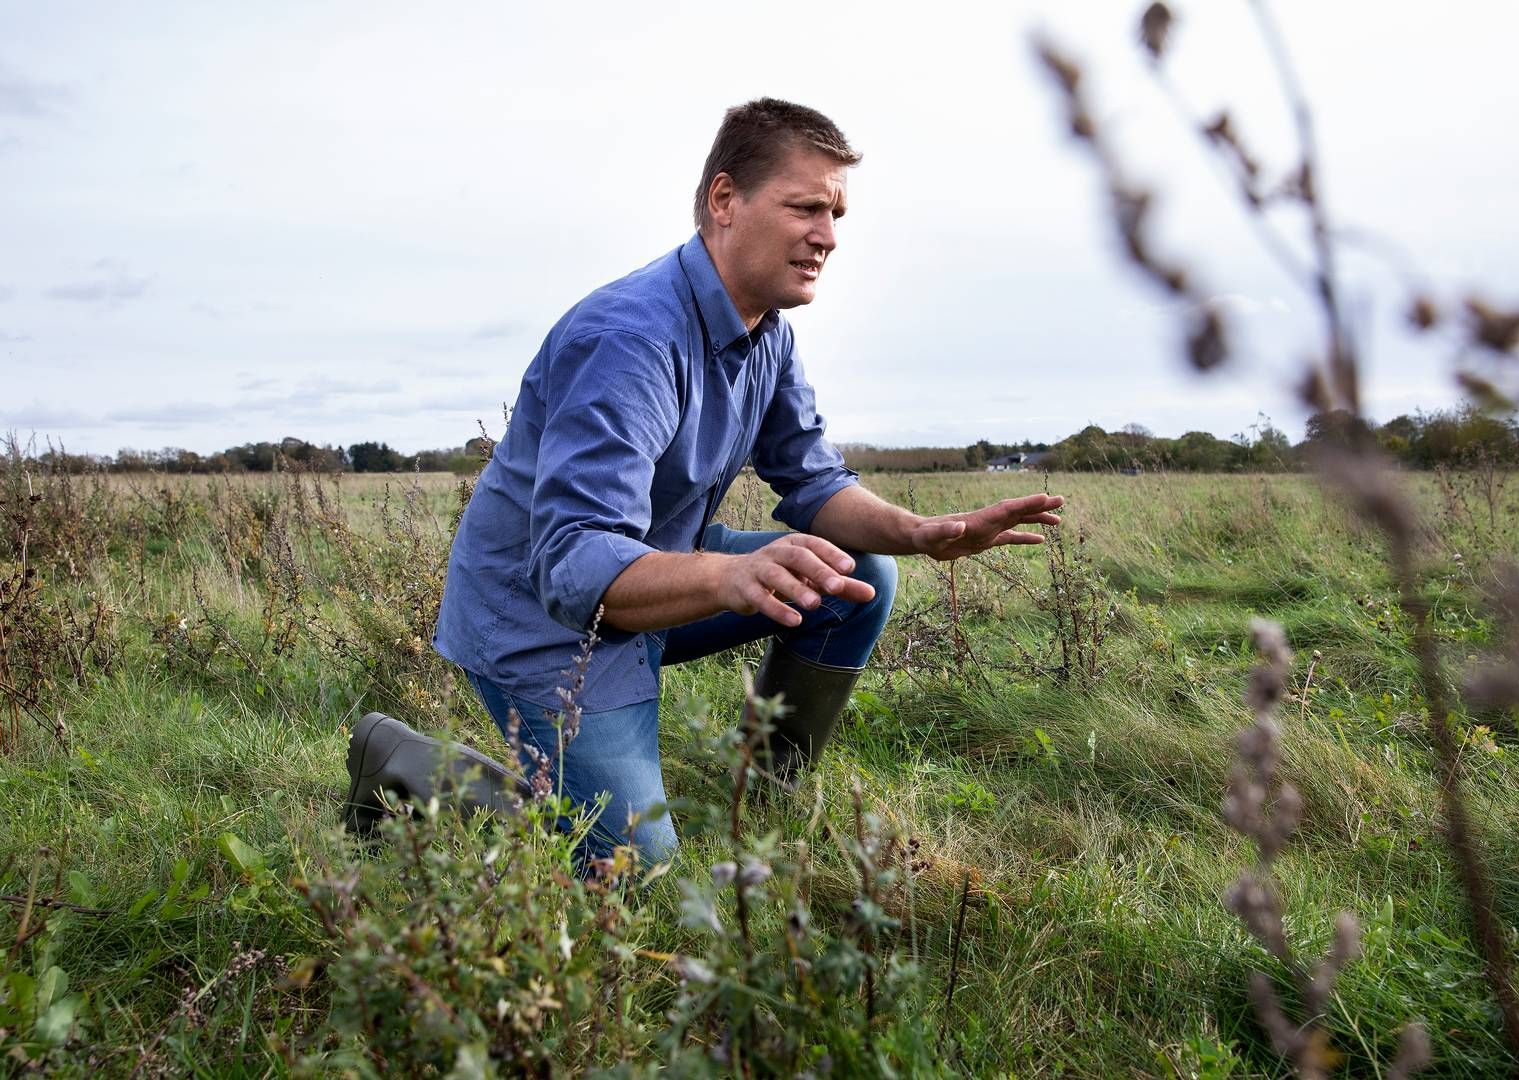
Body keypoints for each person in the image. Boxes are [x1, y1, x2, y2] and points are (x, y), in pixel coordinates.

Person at [347, 98, 1062, 866]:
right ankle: (407, 765)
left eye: (837, 215)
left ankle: (763, 798)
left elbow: (814, 482)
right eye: (805, 208)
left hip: (656, 567)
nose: (827, 235)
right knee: (637, 873)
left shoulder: (769, 334)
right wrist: (732, 575)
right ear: (725, 200)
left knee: (859, 576)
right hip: (544, 618)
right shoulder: (630, 338)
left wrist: (920, 533)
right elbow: (576, 563)